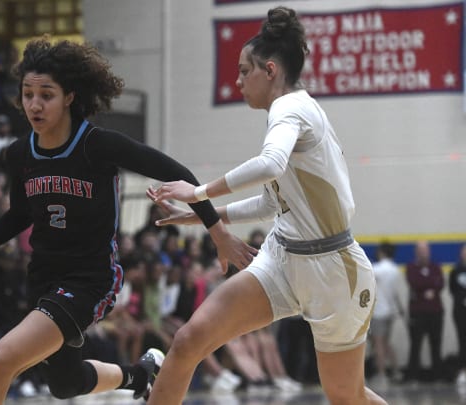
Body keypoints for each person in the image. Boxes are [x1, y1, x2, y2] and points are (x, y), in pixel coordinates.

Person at [0, 37, 255, 404]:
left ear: (70, 96)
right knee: (65, 383)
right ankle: (141, 375)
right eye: (28, 94)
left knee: (0, 361)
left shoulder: (96, 145)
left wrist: (216, 232)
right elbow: (19, 215)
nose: (34, 104)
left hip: (90, 279)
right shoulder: (20, 154)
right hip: (43, 277)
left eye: (46, 94)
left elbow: (177, 171)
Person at [147, 6, 386, 404]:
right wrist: (205, 215)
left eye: (245, 71)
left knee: (347, 394)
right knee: (190, 340)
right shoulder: (292, 112)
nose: (238, 81)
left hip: (333, 271)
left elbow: (269, 164)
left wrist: (198, 192)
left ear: (270, 71)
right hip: (282, 258)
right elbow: (271, 202)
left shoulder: (290, 107)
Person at [404, 240, 444, 382]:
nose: (423, 253)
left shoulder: (435, 266)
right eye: (420, 251)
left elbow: (440, 283)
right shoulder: (411, 267)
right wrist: (429, 287)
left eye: (425, 250)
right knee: (416, 344)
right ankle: (413, 375)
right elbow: (414, 283)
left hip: (435, 311)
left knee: (436, 343)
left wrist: (428, 287)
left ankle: (437, 375)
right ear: (416, 252)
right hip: (418, 311)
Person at [370, 241, 404, 386]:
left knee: (378, 344)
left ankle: (382, 374)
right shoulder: (395, 270)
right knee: (385, 343)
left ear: (382, 252)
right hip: (390, 311)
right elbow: (396, 293)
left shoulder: (376, 269)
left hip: (378, 312)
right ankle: (396, 371)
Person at [450, 243, 466, 386]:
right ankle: (462, 370)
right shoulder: (456, 270)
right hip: (460, 311)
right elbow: (452, 290)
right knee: (462, 339)